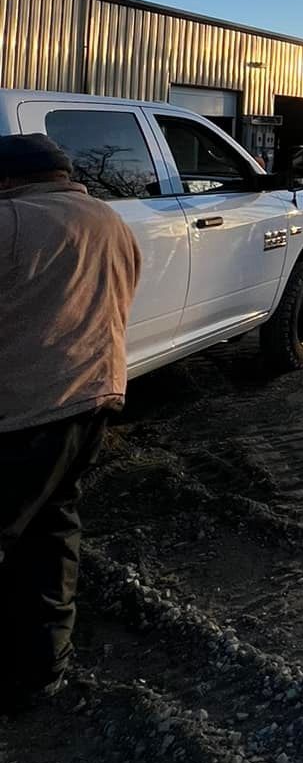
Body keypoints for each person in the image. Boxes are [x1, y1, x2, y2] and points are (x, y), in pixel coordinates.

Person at [0, 133, 141, 710]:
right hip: (92, 401)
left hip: (21, 414)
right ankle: (42, 669)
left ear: (10, 180)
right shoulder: (110, 220)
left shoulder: (10, 221)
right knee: (53, 531)